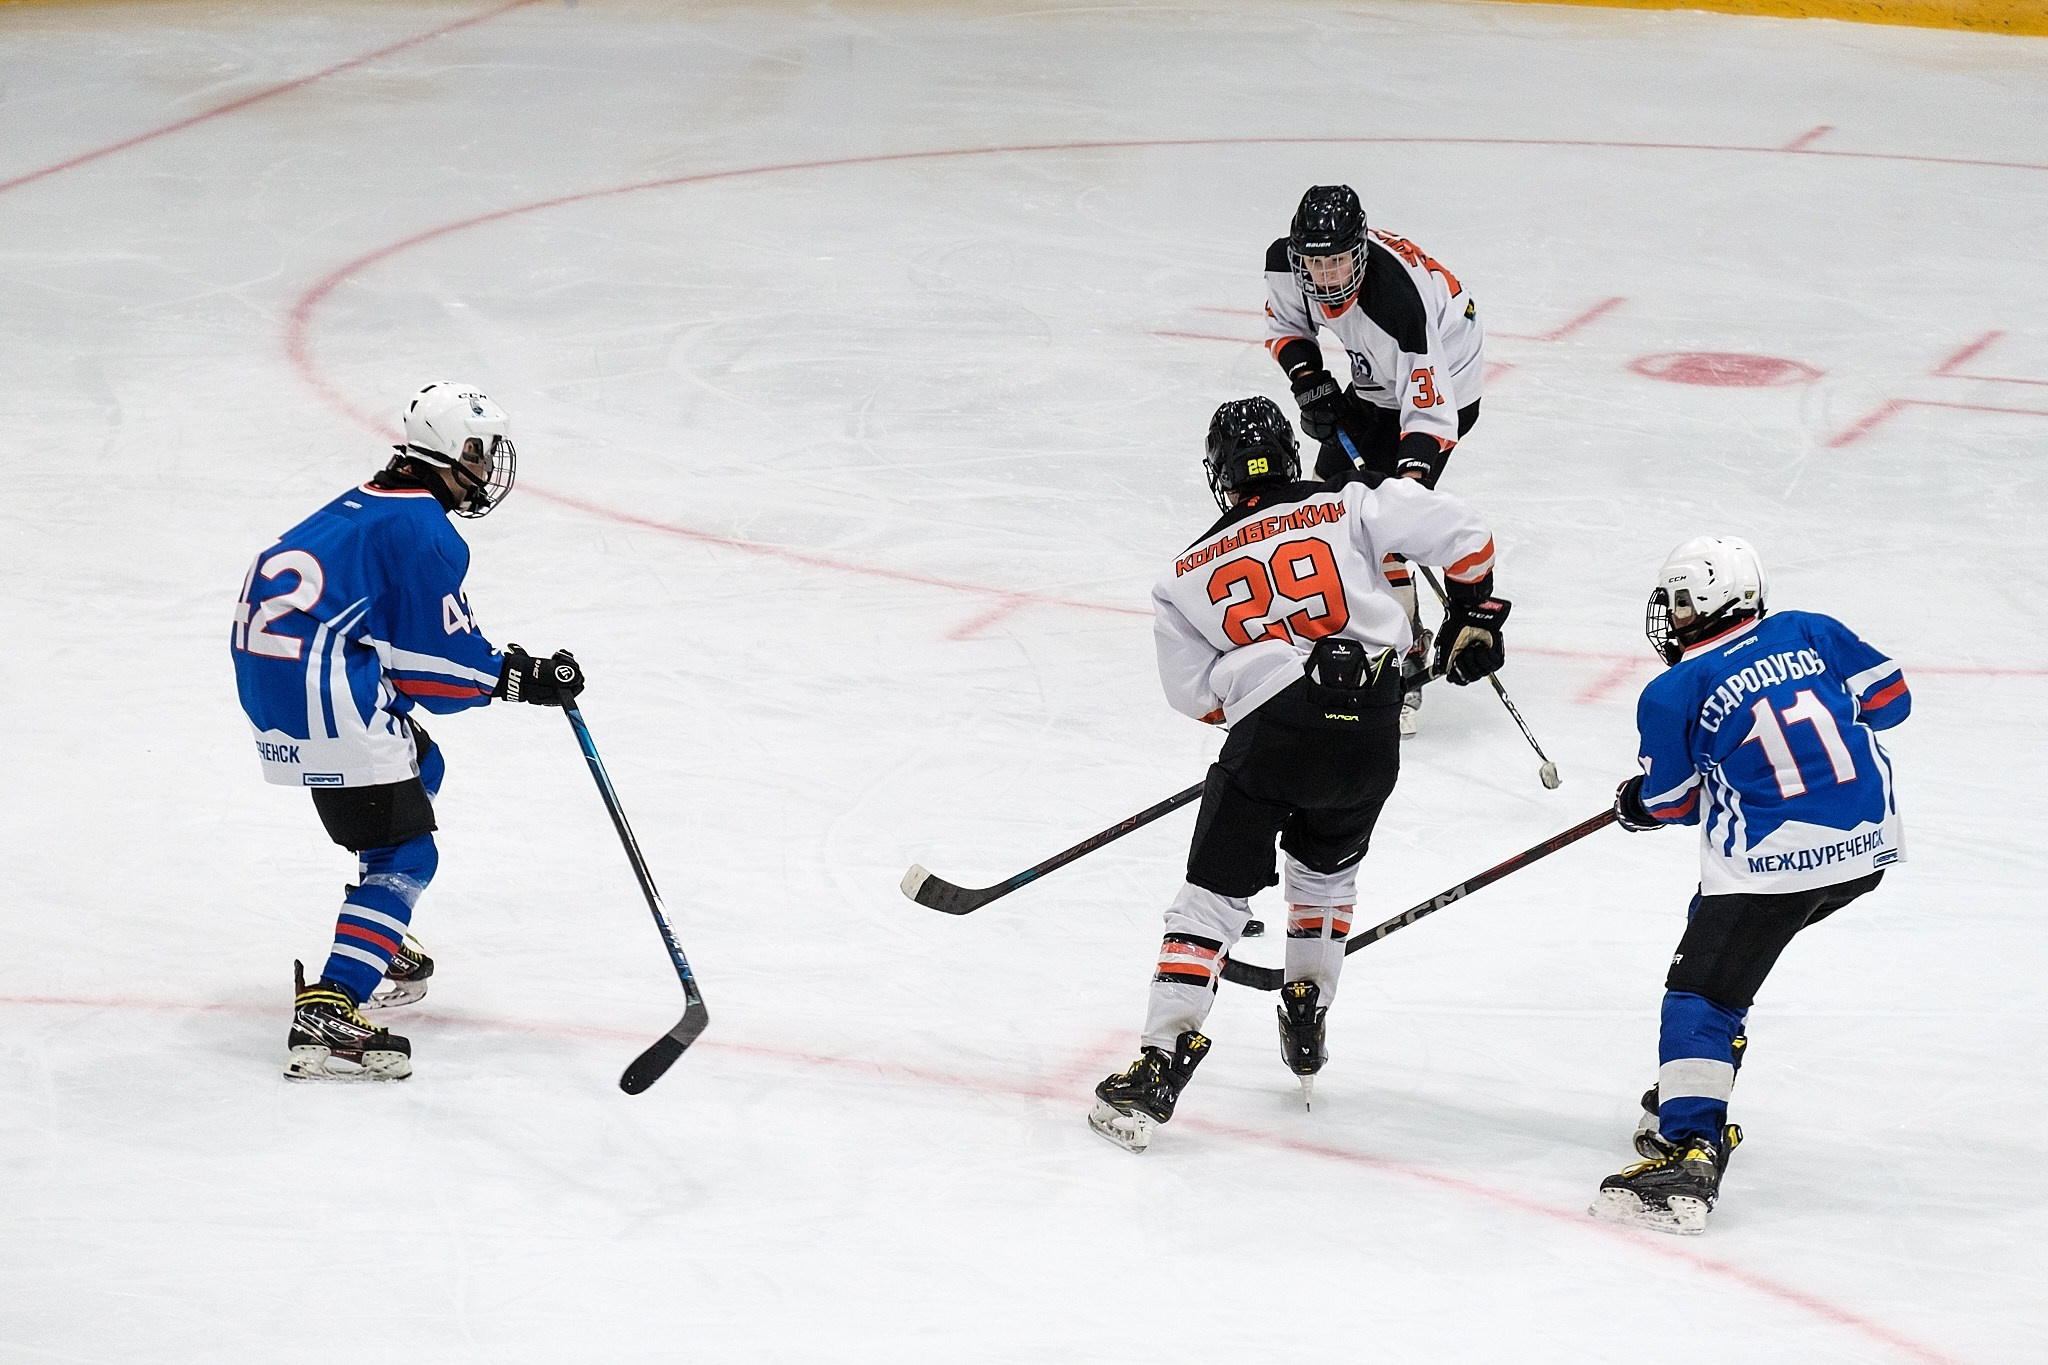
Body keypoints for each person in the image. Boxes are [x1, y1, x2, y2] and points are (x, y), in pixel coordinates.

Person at [1087, 396, 1510, 1152]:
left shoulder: (1185, 573)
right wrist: (1475, 612)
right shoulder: (1349, 500)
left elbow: (1191, 696)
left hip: (1272, 740)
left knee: (1211, 900)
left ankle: (1158, 1064)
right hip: (1375, 730)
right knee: (1324, 878)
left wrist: (1261, 692)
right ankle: (1307, 1003)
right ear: (1288, 457)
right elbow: (1466, 535)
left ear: (1219, 477)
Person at [231, 381, 586, 1082]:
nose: (489, 469)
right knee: (407, 855)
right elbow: (439, 675)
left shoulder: (380, 502)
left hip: (286, 677)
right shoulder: (424, 531)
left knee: (422, 764)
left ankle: (375, 931)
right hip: (323, 688)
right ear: (452, 452)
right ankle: (332, 1004)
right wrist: (524, 676)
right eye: (481, 453)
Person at [1591, 536, 1911, 1233]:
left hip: (1775, 866)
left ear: (1702, 605)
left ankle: (1690, 1148)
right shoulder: (1810, 629)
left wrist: (1634, 801)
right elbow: (1891, 701)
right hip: (1866, 850)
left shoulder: (1674, 688)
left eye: (1678, 602)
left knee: (1700, 991)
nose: (1671, 616)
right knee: (1716, 929)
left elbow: (1673, 803)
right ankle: (1692, 1075)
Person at [1264, 184, 1488, 736]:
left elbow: (1432, 417)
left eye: (1340, 260)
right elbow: (1287, 327)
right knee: (1327, 500)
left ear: (1359, 251)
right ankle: (1352, 627)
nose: (1329, 277)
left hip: (1444, 380)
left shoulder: (1397, 309)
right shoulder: (1285, 265)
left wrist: (1404, 485)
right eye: (1317, 263)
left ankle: (1403, 662)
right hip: (1375, 380)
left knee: (1378, 520)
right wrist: (1310, 382)